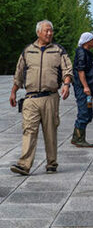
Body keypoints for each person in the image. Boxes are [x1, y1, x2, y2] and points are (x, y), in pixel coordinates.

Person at [8, 20, 72, 175]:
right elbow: (19, 73)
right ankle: (24, 164)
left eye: (51, 31)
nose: (49, 33)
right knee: (29, 130)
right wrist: (13, 91)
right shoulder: (28, 51)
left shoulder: (58, 50)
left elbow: (67, 69)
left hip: (50, 97)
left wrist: (66, 84)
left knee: (50, 130)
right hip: (30, 98)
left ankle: (51, 162)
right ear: (38, 32)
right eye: (46, 31)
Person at [71, 32, 93, 148]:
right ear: (87, 41)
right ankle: (79, 138)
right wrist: (85, 86)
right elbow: (80, 71)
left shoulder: (87, 53)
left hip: (88, 89)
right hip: (83, 89)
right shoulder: (82, 53)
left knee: (88, 113)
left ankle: (76, 137)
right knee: (84, 112)